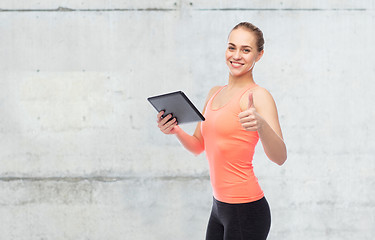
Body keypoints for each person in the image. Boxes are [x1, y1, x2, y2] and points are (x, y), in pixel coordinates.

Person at [156, 22, 287, 240]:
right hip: (219, 208)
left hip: (246, 210)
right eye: (231, 47)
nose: (236, 55)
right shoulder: (214, 93)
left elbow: (280, 157)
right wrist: (175, 130)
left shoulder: (258, 95)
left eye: (246, 50)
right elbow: (199, 146)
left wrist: (261, 125)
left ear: (259, 55)